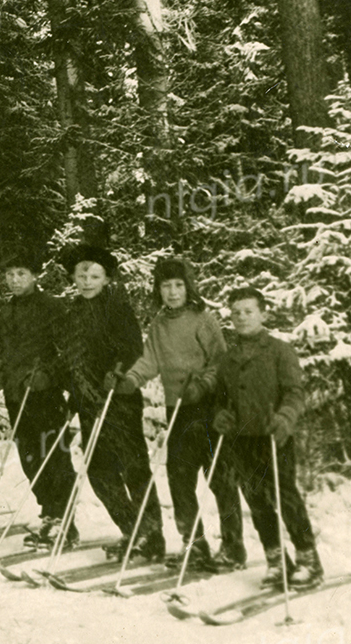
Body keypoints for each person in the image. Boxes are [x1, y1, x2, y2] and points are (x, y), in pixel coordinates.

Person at [119, 257, 244, 572]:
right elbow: (150, 361)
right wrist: (131, 379)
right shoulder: (159, 323)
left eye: (178, 285)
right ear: (157, 290)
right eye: (165, 286)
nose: (173, 293)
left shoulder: (203, 318)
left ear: (189, 287)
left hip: (210, 407)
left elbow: (220, 361)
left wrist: (203, 384)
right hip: (179, 409)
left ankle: (233, 547)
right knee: (179, 477)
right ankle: (195, 544)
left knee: (220, 479)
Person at [212, 287, 322, 589]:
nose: (242, 317)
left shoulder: (279, 351)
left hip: (274, 436)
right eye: (236, 312)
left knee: (286, 497)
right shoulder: (228, 358)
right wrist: (220, 414)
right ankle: (276, 561)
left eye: (248, 311)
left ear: (263, 313)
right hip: (242, 438)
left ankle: (308, 559)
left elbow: (295, 392)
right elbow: (221, 398)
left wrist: (286, 417)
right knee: (257, 500)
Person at [59, 244, 164, 559]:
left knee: (134, 468)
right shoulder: (72, 311)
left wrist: (117, 373)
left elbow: (132, 347)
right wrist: (68, 388)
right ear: (74, 278)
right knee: (100, 471)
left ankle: (153, 535)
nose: (87, 281)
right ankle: (134, 530)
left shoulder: (117, 307)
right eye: (82, 275)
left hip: (119, 400)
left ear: (106, 279)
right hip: (88, 402)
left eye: (94, 276)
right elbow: (69, 358)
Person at [0, 250, 78, 548]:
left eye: (22, 274)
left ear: (35, 275)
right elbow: (6, 351)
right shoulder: (7, 311)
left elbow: (68, 351)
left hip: (45, 394)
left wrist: (50, 376)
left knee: (54, 456)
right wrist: (0, 373)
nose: (15, 280)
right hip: (17, 395)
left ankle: (64, 520)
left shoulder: (52, 307)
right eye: (10, 274)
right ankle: (48, 513)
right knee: (30, 459)